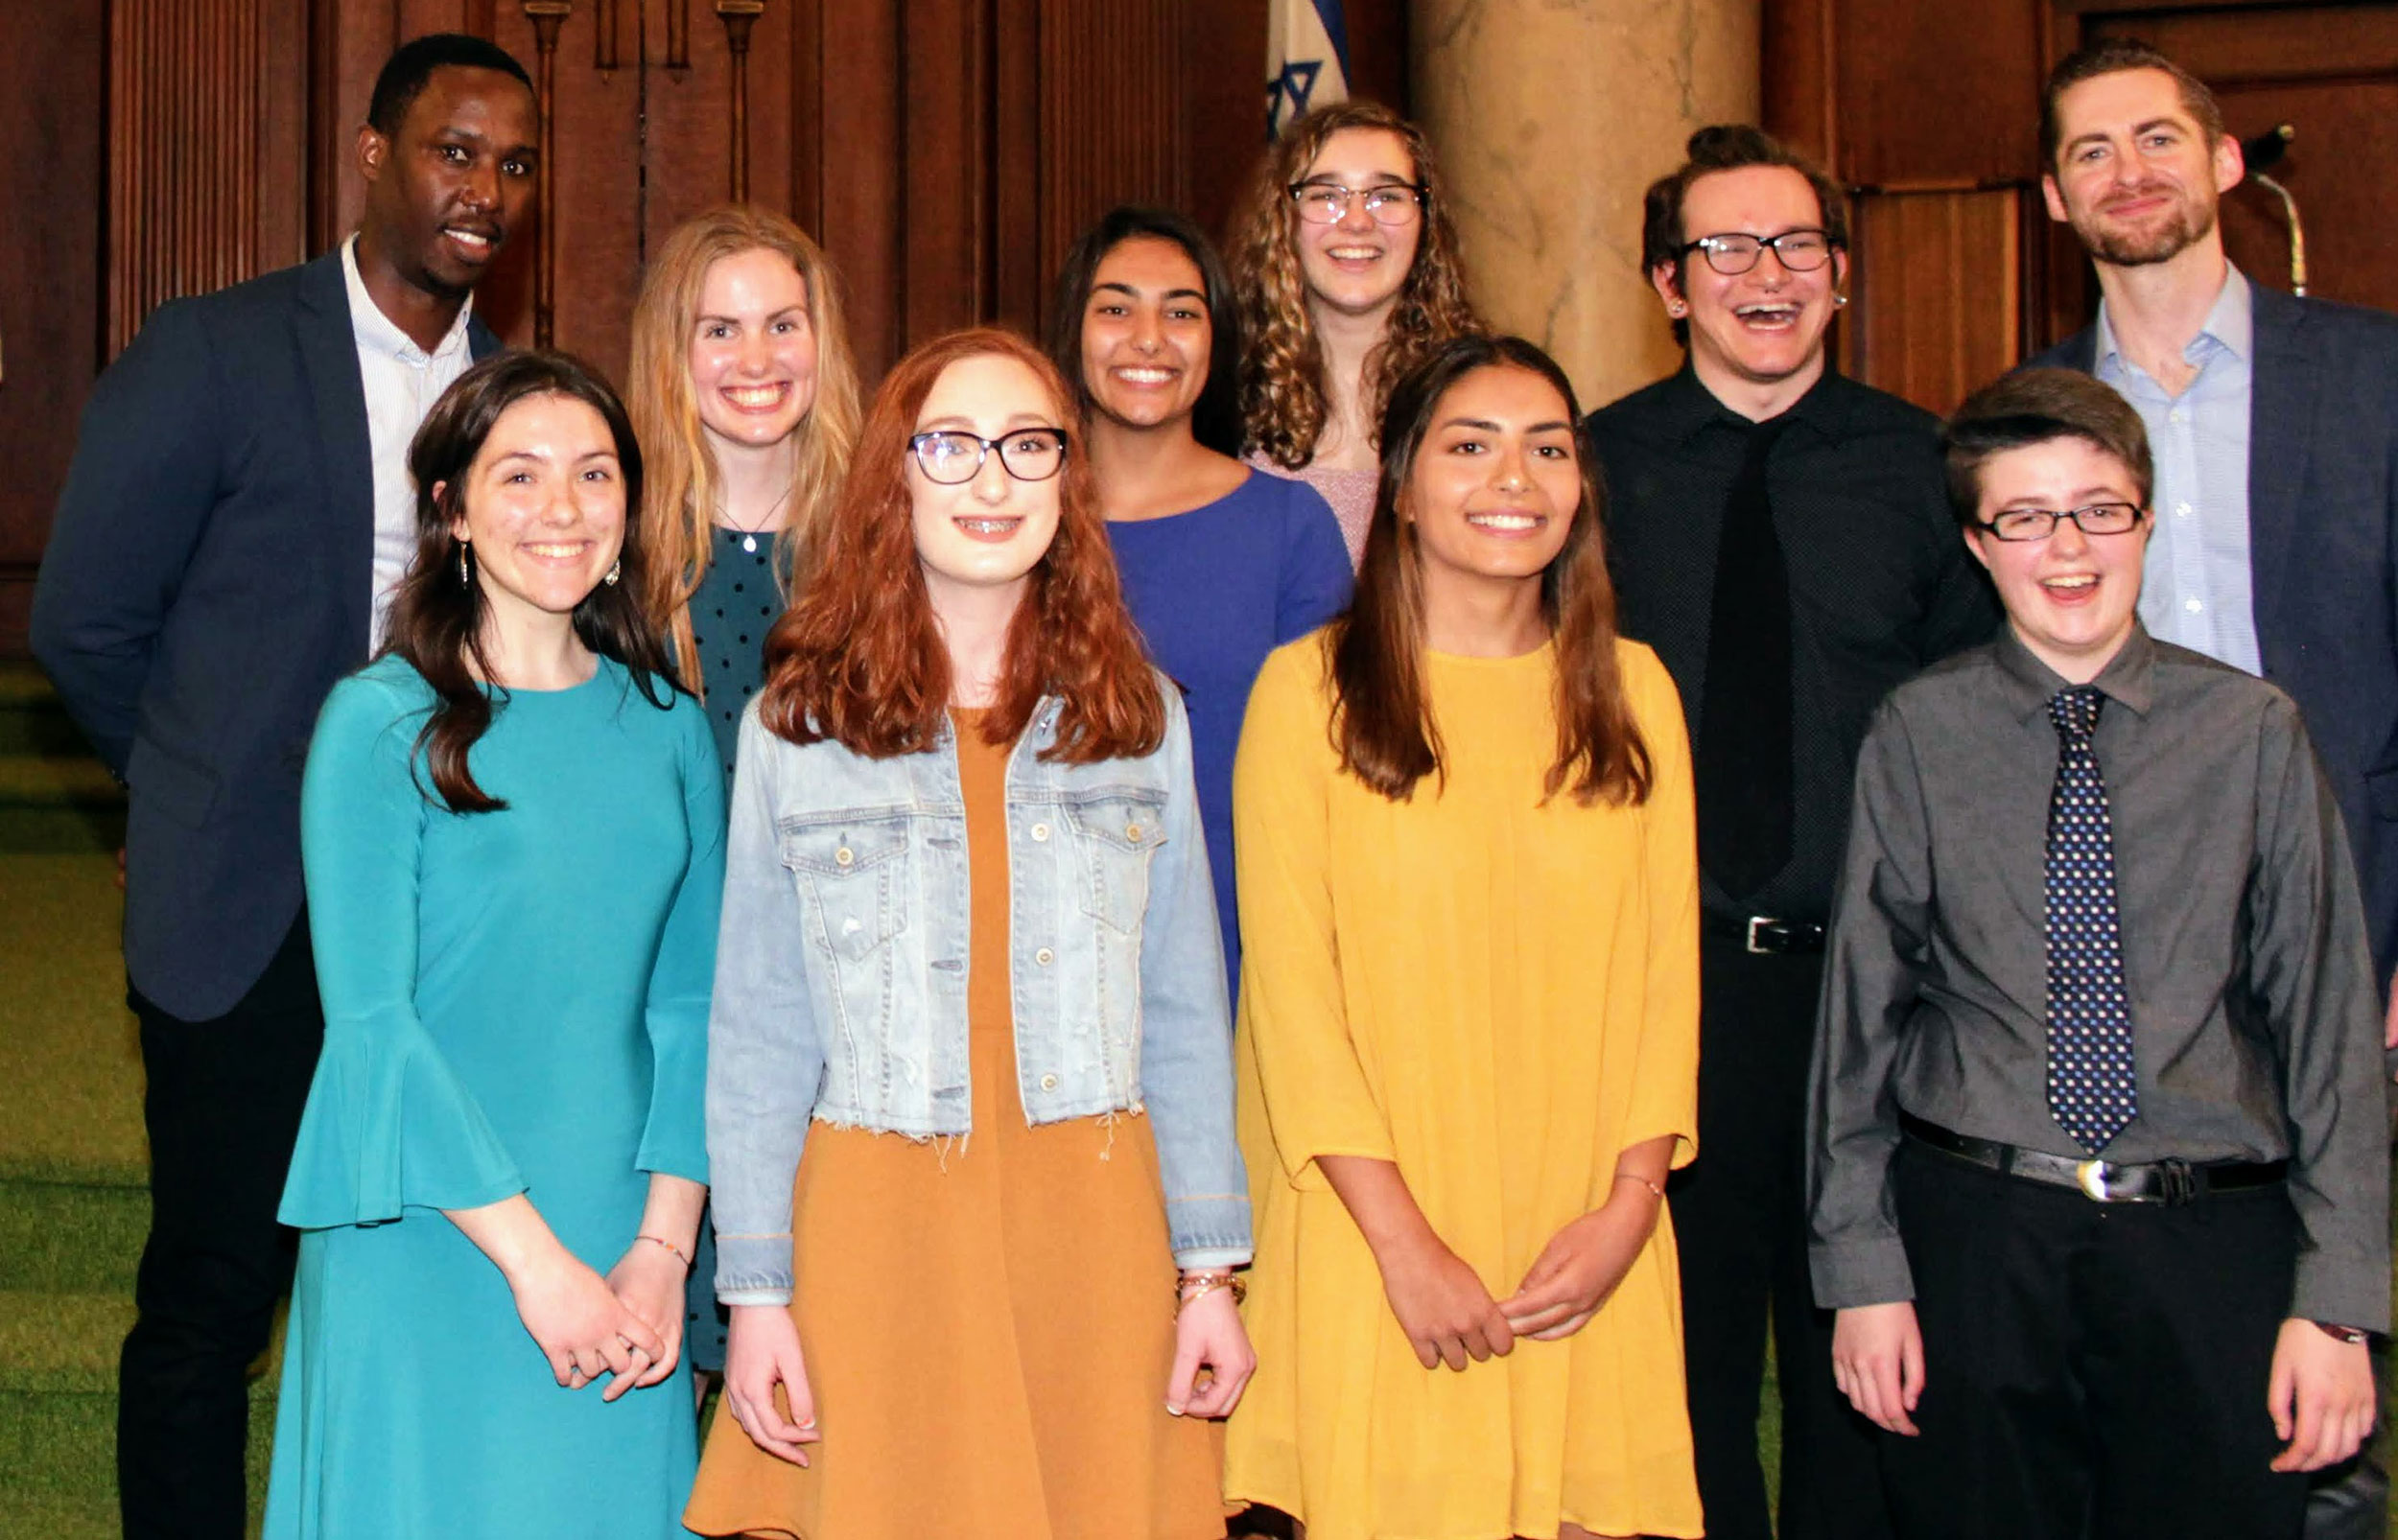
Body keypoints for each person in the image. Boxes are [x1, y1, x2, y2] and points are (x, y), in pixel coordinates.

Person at [26, 34, 536, 1538]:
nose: (485, 190)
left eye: (514, 165)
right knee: (213, 1292)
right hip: (248, 903)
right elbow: (84, 618)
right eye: (454, 151)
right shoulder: (218, 349)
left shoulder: (518, 398)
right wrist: (177, 783)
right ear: (374, 156)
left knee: (430, 1273)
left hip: (452, 901)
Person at [682, 327, 1255, 1540]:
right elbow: (759, 1029)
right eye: (951, 445)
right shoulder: (798, 726)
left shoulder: (1140, 719)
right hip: (877, 1224)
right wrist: (757, 1290)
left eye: (1026, 445)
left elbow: (1183, 1009)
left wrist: (1207, 1271)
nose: (992, 478)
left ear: (1067, 479)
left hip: (1093, 1222)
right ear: (894, 477)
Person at [1809, 366, 2387, 1540]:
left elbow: (2327, 1029)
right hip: (1979, 1231)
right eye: (2024, 517)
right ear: (1977, 544)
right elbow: (1860, 1020)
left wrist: (2336, 1305)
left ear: (2146, 519)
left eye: (2097, 509)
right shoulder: (1918, 731)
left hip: (2210, 1236)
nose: (2066, 548)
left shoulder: (2252, 731)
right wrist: (1861, 1268)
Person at [1579, 123, 1998, 1540]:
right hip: (1666, 988)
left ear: (1839, 269)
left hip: (1875, 991)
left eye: (1798, 244)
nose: (1768, 274)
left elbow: (1978, 737)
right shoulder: (1593, 471)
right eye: (1727, 247)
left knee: (1864, 1367)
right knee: (1680, 1366)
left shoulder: (1926, 469)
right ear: (1669, 282)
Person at [1225, 333, 1704, 1540]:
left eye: (1547, 449)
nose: (1513, 479)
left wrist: (1630, 1206)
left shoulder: (1637, 692)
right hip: (1370, 1230)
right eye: (1470, 445)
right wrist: (1405, 1246)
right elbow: (1292, 1002)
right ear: (1400, 486)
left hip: (1583, 1234)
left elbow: (1667, 981)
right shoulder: (1307, 693)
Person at [2026, 45, 2398, 1531]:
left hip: (2347, 926)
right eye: (2093, 151)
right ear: (2055, 198)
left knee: (2332, 1366)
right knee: (2160, 1361)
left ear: (2226, 164)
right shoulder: (2022, 415)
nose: (2130, 172)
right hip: (2112, 958)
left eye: (2158, 138)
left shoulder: (2373, 375)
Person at [262, 348, 720, 1536]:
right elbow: (375, 1025)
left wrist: (663, 1249)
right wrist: (536, 1265)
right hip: (432, 1228)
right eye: (519, 475)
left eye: (594, 474)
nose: (561, 508)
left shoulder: (669, 725)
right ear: (452, 510)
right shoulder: (379, 723)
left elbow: (694, 1005)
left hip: (623, 1232)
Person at [625, 201, 861, 1387]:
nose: (755, 358)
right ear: (672, 351)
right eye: (718, 329)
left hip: (837, 1020)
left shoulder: (887, 548)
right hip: (660, 1011)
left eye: (782, 323)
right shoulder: (612, 557)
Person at [1046, 203, 1352, 991]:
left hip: (1240, 956)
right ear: (1073, 330)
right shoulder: (1014, 519)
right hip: (1044, 955)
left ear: (1218, 339)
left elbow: (1334, 784)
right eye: (1116, 309)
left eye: (1181, 312)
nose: (1149, 338)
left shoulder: (1288, 527)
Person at [1228, 99, 1480, 565]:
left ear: (1426, 221)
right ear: (1282, 218)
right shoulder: (1219, 401)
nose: (1359, 221)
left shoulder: (1477, 395)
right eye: (1327, 195)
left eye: (1387, 196)